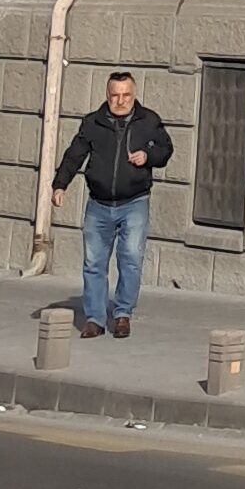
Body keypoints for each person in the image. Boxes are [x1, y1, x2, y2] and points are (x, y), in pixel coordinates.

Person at [50, 70, 173, 337]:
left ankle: (122, 314)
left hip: (134, 202)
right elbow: (74, 155)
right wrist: (60, 185)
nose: (121, 101)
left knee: (130, 259)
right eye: (115, 95)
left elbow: (166, 150)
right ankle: (94, 319)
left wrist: (148, 155)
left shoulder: (148, 121)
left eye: (126, 95)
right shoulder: (93, 122)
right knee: (93, 262)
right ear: (107, 95)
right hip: (99, 203)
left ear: (134, 94)